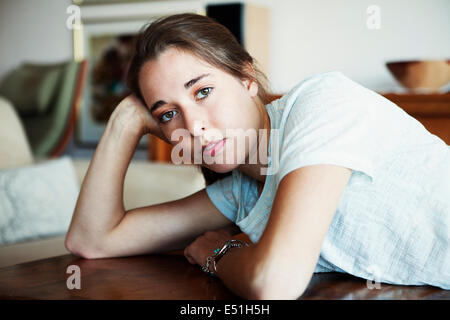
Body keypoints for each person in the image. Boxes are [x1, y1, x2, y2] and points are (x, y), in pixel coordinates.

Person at [65, 13, 450, 299]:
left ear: (247, 78)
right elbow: (92, 240)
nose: (194, 126)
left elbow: (273, 282)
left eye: (202, 91)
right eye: (168, 113)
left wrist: (217, 251)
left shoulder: (321, 104)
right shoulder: (239, 192)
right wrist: (124, 122)